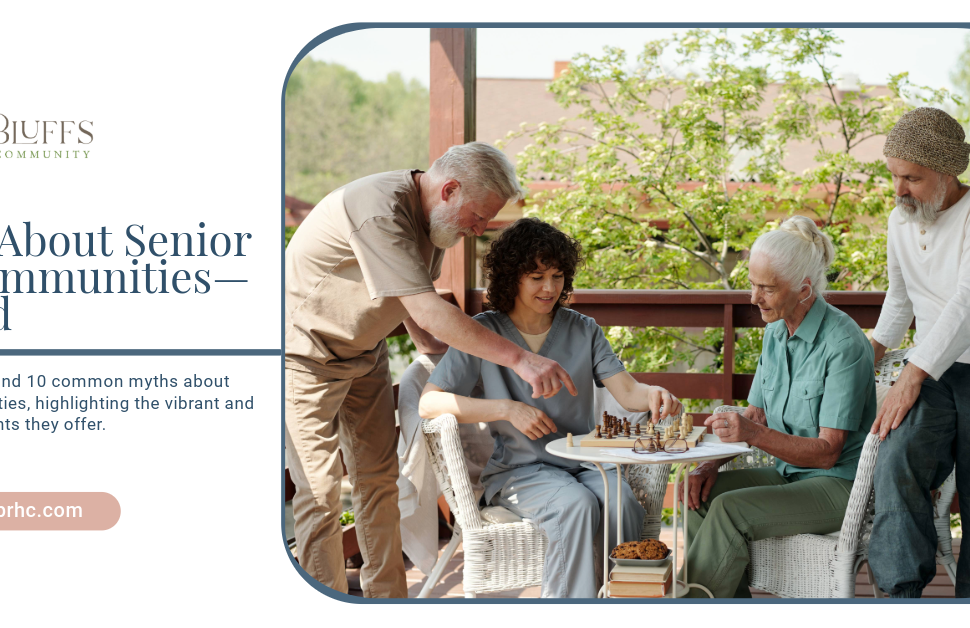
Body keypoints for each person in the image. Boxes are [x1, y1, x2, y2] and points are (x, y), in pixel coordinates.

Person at [284, 143, 578, 597]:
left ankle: (389, 604)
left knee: (378, 482)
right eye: (478, 217)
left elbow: (406, 295)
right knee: (320, 493)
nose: (480, 230)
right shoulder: (378, 210)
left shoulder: (436, 223)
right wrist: (521, 358)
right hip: (304, 355)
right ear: (450, 190)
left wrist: (432, 355)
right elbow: (430, 311)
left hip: (364, 355)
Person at [417, 218, 681, 598]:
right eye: (537, 276)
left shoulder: (583, 329)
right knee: (575, 506)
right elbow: (429, 402)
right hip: (521, 471)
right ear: (512, 277)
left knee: (622, 503)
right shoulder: (483, 332)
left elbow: (628, 393)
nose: (549, 288)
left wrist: (654, 393)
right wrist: (506, 409)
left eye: (557, 276)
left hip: (586, 463)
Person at [681, 216, 876, 598]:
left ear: (804, 289)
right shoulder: (775, 332)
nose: (754, 299)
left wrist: (753, 433)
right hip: (789, 474)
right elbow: (754, 415)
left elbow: (827, 453)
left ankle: (688, 613)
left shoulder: (844, 344)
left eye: (766, 289)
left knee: (728, 510)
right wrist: (709, 465)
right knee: (698, 496)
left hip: (840, 486)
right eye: (752, 285)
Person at [867, 107, 970, 598]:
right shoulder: (899, 219)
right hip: (932, 373)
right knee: (898, 457)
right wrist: (869, 354)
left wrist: (911, 373)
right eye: (895, 176)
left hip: (947, 369)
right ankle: (900, 598)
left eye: (912, 178)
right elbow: (900, 296)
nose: (899, 190)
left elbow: (964, 305)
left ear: (947, 174)